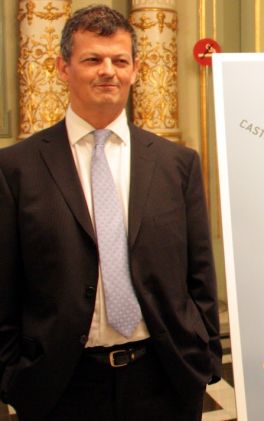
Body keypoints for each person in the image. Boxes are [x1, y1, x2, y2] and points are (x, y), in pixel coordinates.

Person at [0, 5, 221, 420]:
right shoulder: (17, 169)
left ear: (135, 69)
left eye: (120, 60)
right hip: (60, 386)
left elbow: (199, 273)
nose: (108, 71)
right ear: (63, 67)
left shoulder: (177, 164)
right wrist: (13, 376)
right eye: (92, 59)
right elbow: (5, 286)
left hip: (164, 379)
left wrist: (204, 354)